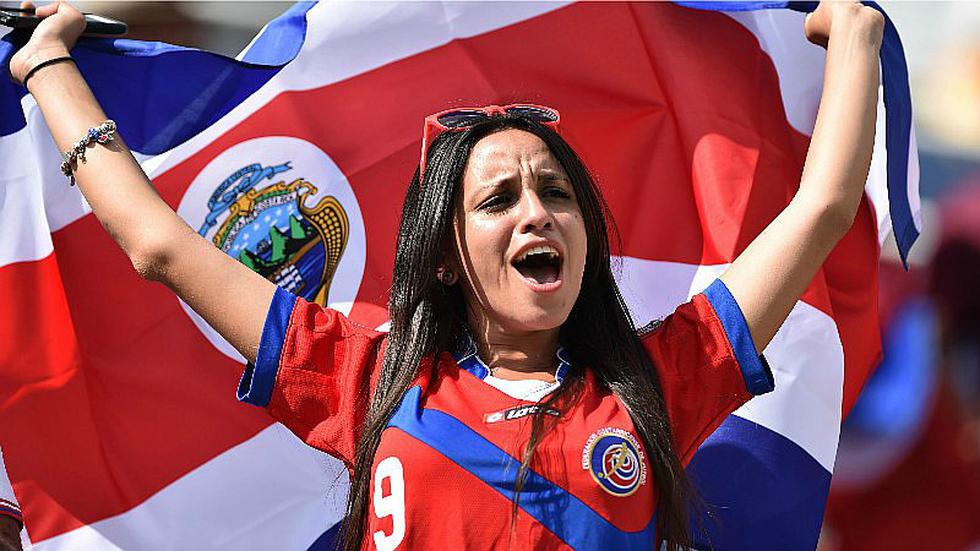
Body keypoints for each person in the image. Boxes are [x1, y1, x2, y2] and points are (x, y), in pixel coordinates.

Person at [8, 1, 884, 549]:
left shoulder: (663, 379)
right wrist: (47, 67)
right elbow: (158, 244)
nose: (537, 212)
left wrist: (855, 34)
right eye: (499, 198)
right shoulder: (361, 378)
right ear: (444, 256)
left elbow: (821, 210)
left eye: (557, 193)